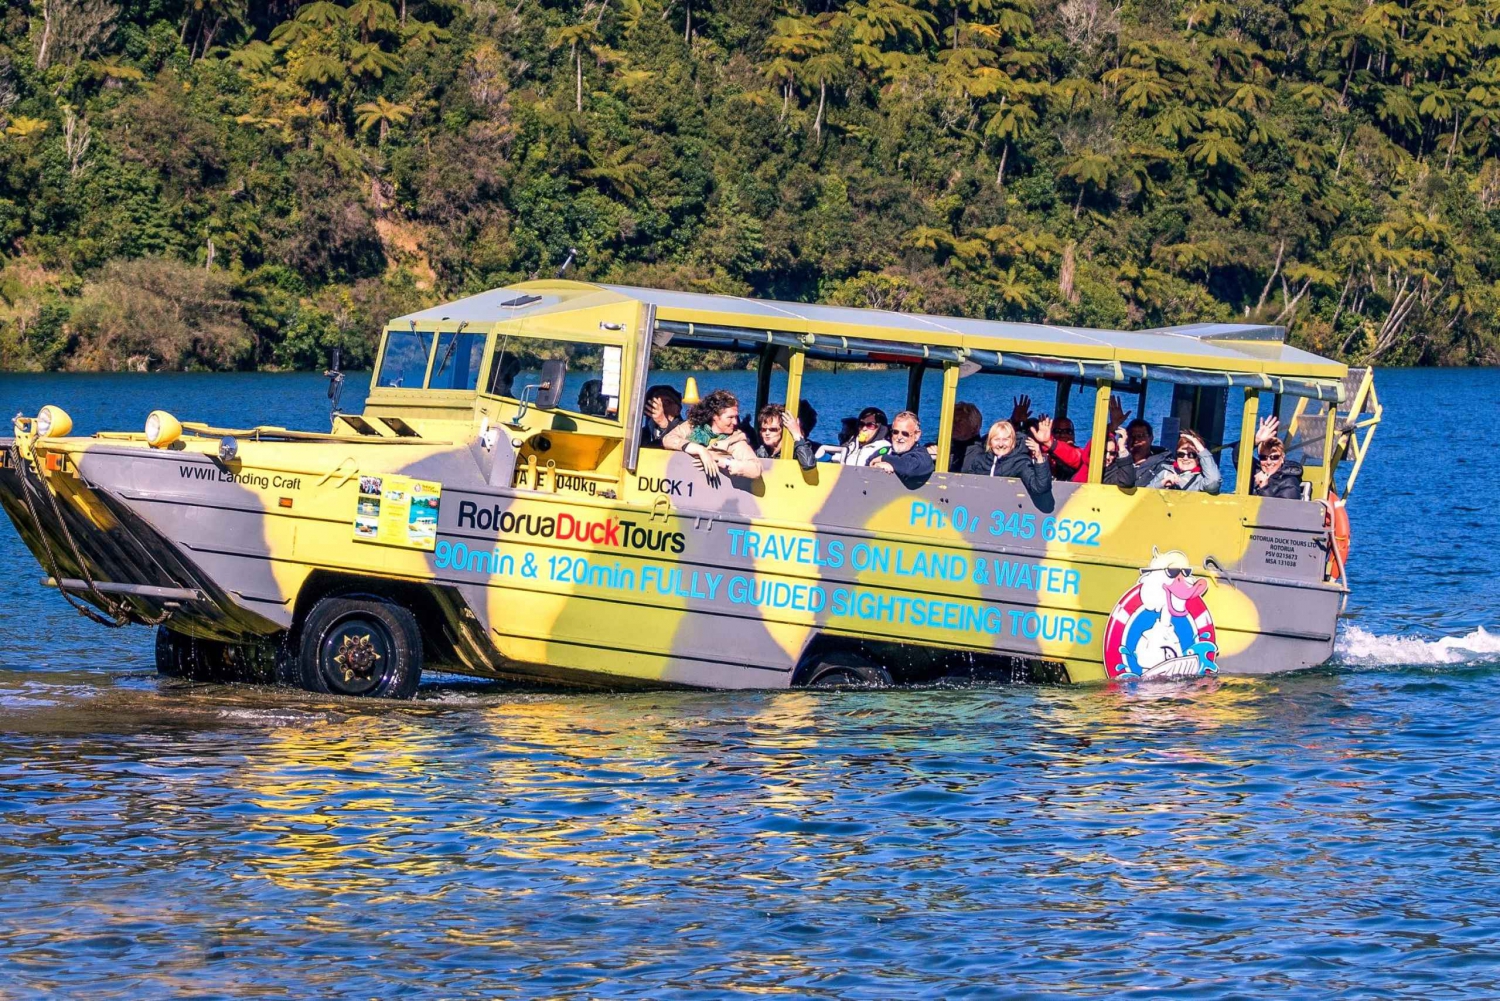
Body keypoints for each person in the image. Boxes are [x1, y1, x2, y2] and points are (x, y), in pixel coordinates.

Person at [662, 389, 763, 481]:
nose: (735, 422)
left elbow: (756, 469)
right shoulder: (692, 426)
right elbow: (668, 439)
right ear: (714, 416)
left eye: (736, 417)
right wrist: (700, 450)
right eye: (730, 417)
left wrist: (722, 461)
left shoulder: (735, 440)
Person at [961, 417, 1052, 498]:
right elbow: (967, 486)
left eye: (1005, 440)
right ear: (990, 442)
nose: (1001, 444)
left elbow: (1040, 488)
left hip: (1008, 510)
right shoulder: (980, 460)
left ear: (1012, 442)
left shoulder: (1020, 462)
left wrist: (1039, 457)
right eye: (996, 439)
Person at [1148, 429, 1221, 494]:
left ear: (1199, 458)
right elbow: (1144, 493)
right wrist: (1162, 483)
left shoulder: (1200, 479)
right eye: (1181, 454)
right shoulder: (1164, 472)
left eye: (1191, 455)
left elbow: (1213, 483)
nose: (1185, 458)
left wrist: (1200, 449)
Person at [871, 411, 935, 482]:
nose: (899, 437)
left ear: (916, 435)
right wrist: (876, 467)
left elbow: (909, 469)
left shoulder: (922, 456)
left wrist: (884, 459)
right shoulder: (884, 451)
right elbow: (865, 466)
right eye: (895, 432)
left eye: (905, 433)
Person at [1107, 418, 1172, 487]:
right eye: (1131, 436)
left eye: (1140, 436)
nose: (1136, 440)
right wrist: (1112, 427)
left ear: (1151, 438)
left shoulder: (1161, 464)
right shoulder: (1115, 459)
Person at [1250, 416, 1304, 499]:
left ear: (1282, 458)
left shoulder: (1290, 482)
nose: (1268, 462)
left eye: (1274, 457)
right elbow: (1238, 456)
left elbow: (1282, 510)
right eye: (1263, 457)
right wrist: (1255, 440)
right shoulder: (1257, 473)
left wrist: (1264, 487)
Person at [820, 406, 891, 466]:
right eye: (861, 424)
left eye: (870, 425)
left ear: (881, 429)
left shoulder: (884, 448)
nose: (864, 428)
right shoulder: (851, 444)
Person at [753, 403, 817, 469]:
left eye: (773, 429)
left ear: (783, 430)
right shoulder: (760, 451)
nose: (767, 433)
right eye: (763, 429)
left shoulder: (794, 452)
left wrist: (797, 434)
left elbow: (808, 464)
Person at [640, 385, 684, 449]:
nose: (661, 407)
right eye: (655, 402)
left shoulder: (686, 430)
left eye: (667, 402)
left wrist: (663, 424)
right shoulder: (639, 435)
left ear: (678, 410)